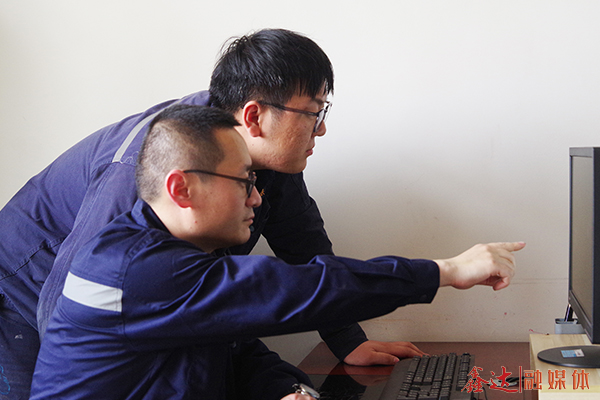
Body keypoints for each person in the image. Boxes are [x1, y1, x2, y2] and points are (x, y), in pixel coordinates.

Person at [0, 28, 523, 399]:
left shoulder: (257, 161)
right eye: (314, 113)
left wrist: (340, 349)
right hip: (23, 299)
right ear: (255, 117)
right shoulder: (152, 172)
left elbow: (300, 257)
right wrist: (446, 270)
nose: (321, 130)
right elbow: (63, 312)